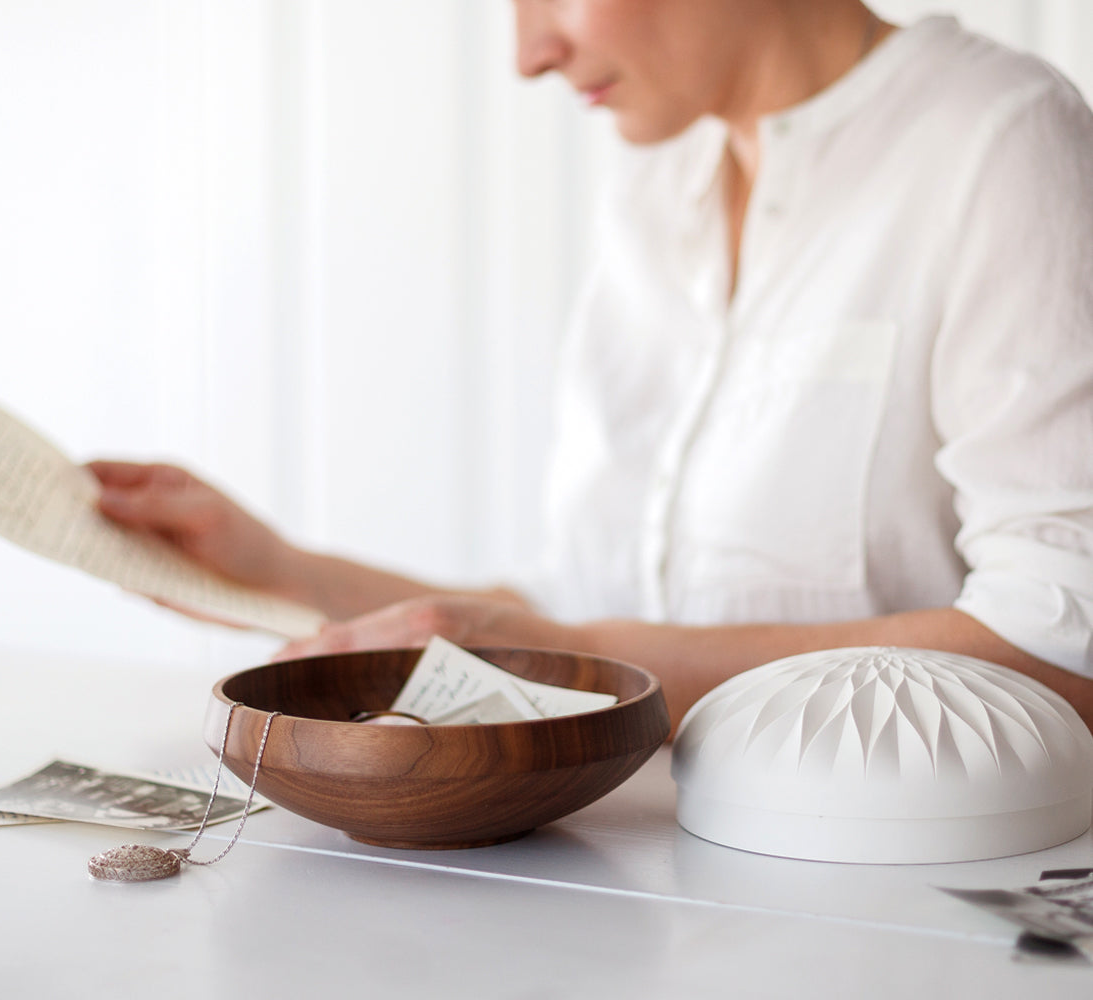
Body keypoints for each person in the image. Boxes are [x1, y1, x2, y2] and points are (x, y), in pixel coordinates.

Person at [90, 0, 1093, 729]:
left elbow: (1062, 652)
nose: (530, 52)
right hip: (639, 885)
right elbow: (589, 615)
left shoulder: (998, 142)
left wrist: (584, 657)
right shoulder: (655, 191)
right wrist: (277, 570)